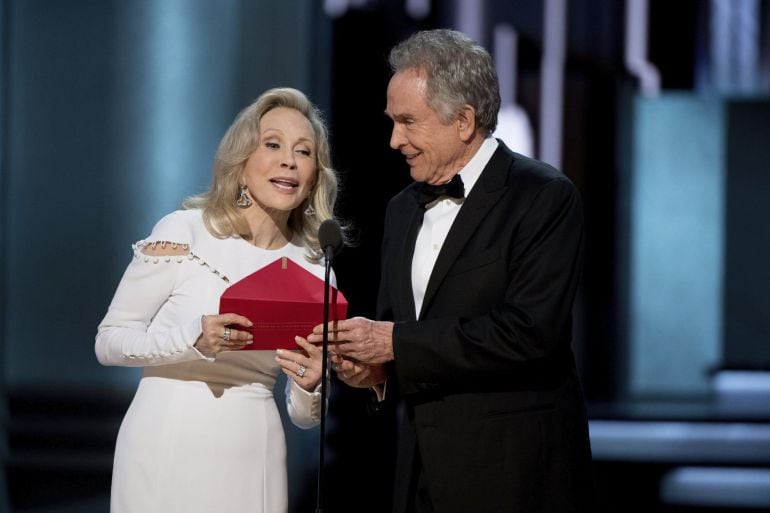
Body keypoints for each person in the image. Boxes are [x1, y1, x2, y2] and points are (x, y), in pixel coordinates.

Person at [309, 29, 595, 513]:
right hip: (420, 473)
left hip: (516, 473)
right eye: (392, 122)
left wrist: (392, 343)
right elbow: (398, 332)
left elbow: (529, 334)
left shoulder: (543, 196)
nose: (394, 140)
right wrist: (374, 372)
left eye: (407, 122)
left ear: (463, 120)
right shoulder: (402, 209)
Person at [96, 87, 342, 513]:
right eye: (272, 145)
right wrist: (192, 338)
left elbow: (304, 416)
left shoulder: (313, 267)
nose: (289, 160)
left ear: (313, 177)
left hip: (254, 450)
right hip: (164, 440)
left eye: (303, 152)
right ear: (241, 163)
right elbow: (109, 342)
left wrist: (310, 385)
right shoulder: (184, 232)